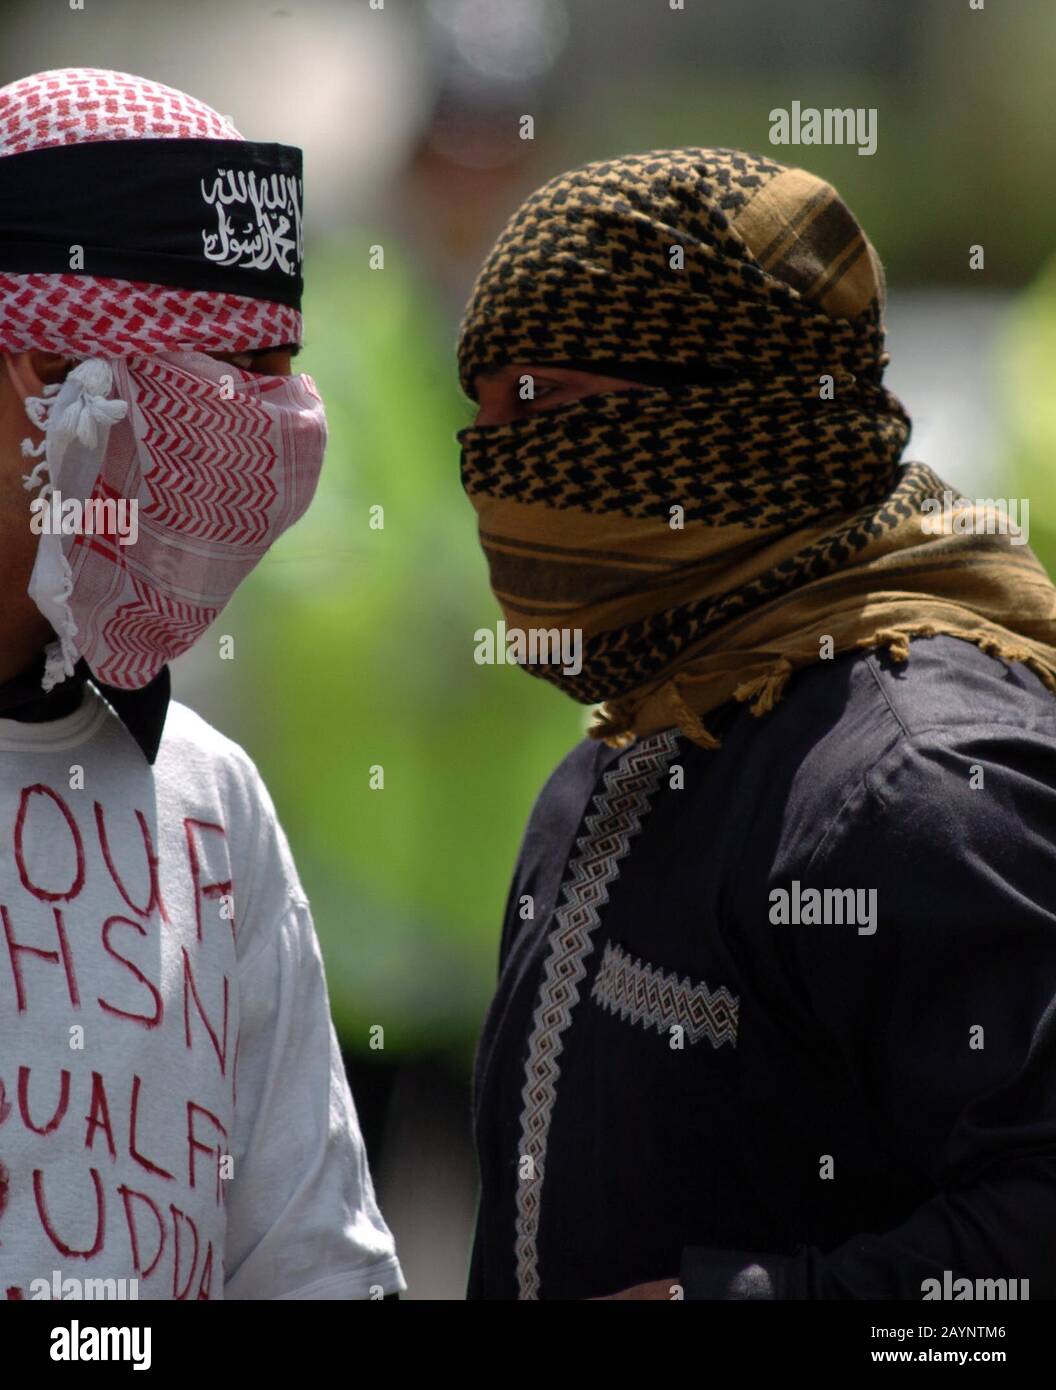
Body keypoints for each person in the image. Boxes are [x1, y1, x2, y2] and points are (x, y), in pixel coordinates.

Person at [456, 147, 1056, 1300]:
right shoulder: (632, 748)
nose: (492, 462)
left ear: (732, 414)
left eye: (547, 406)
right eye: (479, 411)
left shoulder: (920, 785)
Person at [0, 68, 403, 1301]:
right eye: (230, 370)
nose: (274, 429)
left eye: (285, 366)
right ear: (43, 372)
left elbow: (315, 1265)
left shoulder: (206, 799)